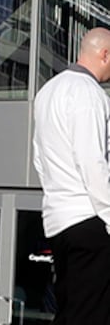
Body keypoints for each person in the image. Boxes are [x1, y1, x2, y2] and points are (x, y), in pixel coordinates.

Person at [34, 26, 110, 321]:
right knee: (92, 313)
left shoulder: (46, 92)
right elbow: (92, 162)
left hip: (59, 223)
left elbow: (39, 159)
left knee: (70, 309)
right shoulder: (88, 94)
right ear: (105, 54)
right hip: (89, 219)